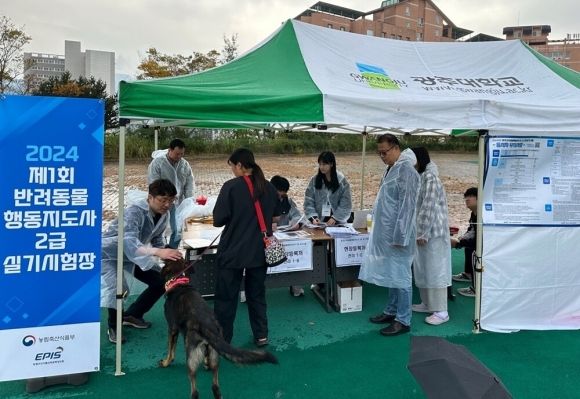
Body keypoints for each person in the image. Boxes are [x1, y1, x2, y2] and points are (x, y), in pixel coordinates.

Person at [101, 179, 183, 344]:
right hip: (110, 253)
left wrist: (166, 254)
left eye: (171, 200)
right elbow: (129, 242)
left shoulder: (163, 214)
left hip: (134, 255)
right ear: (150, 198)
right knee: (119, 288)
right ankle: (113, 326)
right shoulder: (134, 212)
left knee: (160, 281)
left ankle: (132, 315)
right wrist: (158, 251)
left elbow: (157, 237)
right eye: (163, 200)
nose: (167, 204)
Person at [213, 148, 280, 347]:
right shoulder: (268, 187)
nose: (233, 171)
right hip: (259, 251)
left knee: (226, 298)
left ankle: (223, 340)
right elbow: (276, 217)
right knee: (257, 295)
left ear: (240, 165)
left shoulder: (231, 187)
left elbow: (218, 220)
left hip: (233, 251)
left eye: (233, 167)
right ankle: (261, 335)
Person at [359, 134, 420, 337]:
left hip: (399, 235)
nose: (382, 156)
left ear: (396, 148)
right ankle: (392, 310)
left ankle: (403, 320)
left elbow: (407, 206)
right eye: (379, 153)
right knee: (391, 273)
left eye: (384, 152)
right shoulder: (391, 168)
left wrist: (400, 236)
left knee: (401, 276)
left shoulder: (407, 171)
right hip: (387, 232)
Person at [410, 146, 452, 325]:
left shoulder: (429, 177)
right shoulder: (420, 176)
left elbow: (429, 206)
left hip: (433, 233)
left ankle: (442, 311)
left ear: (418, 159)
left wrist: (422, 231)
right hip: (423, 232)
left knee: (435, 270)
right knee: (423, 268)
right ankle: (427, 303)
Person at [147, 138, 195, 249]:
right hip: (161, 201)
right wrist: (161, 199)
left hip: (177, 202)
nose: (179, 156)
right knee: (159, 228)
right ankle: (160, 250)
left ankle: (172, 250)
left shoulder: (185, 164)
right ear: (170, 150)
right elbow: (153, 183)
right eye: (177, 153)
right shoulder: (158, 163)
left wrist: (189, 200)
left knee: (178, 228)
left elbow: (189, 183)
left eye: (182, 154)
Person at [271, 175, 305, 297]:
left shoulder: (288, 202)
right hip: (267, 240)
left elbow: (297, 215)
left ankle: (296, 287)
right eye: (278, 194)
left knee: (298, 252)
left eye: (283, 194)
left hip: (286, 239)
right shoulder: (263, 201)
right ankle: (246, 291)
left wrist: (296, 223)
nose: (280, 198)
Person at [304, 151, 352, 226]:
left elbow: (345, 203)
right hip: (318, 222)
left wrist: (335, 218)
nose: (321, 167)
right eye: (320, 164)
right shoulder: (314, 180)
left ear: (332, 164)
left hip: (336, 222)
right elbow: (309, 201)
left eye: (324, 164)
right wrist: (314, 217)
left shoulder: (341, 181)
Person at [451, 187, 478, 297]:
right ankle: (468, 275)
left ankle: (476, 289)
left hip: (489, 244)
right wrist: (461, 239)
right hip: (480, 241)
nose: (467, 199)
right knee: (469, 249)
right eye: (466, 197)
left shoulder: (482, 214)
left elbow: (478, 239)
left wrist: (458, 244)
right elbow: (471, 230)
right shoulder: (474, 213)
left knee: (475, 253)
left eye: (471, 196)